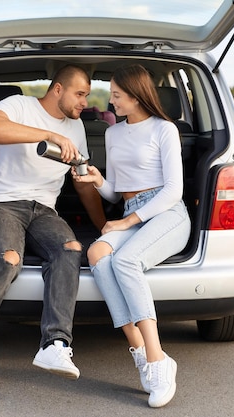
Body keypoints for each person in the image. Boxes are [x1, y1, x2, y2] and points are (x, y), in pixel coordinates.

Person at [0, 65, 106, 389]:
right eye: (79, 94)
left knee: (71, 249)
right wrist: (48, 134)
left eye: (87, 96)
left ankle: (55, 345)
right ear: (58, 90)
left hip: (44, 209)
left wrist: (104, 225)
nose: (84, 103)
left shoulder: (76, 128)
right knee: (7, 261)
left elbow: (82, 184)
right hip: (1, 203)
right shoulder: (18, 106)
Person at [72, 64, 191, 408]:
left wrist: (126, 223)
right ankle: (140, 349)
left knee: (124, 260)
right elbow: (116, 193)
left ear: (137, 96)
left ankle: (157, 361)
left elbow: (172, 190)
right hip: (131, 212)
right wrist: (97, 180)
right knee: (97, 254)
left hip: (166, 214)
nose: (110, 102)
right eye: (111, 94)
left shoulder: (164, 129)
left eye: (117, 95)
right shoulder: (113, 134)